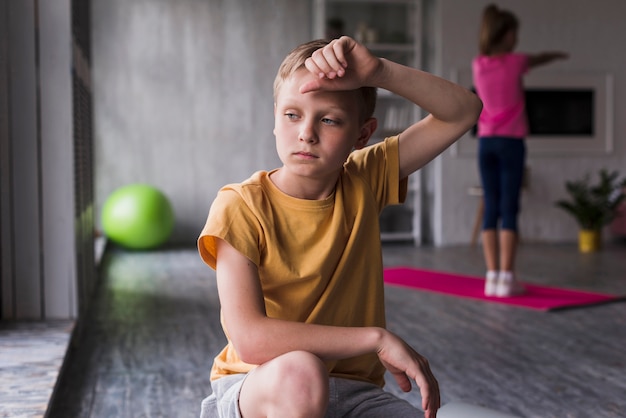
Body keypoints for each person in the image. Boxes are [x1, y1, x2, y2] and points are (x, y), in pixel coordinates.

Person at [198, 36, 482, 418]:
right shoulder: (241, 205)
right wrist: (376, 338)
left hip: (355, 394)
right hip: (263, 386)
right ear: (275, 118)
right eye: (292, 114)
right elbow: (250, 340)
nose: (307, 133)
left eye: (328, 119)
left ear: (362, 135)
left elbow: (463, 111)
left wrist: (380, 72)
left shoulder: (366, 177)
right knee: (303, 372)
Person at [472, 4, 568, 298]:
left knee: (491, 205)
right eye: (515, 33)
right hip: (511, 143)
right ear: (508, 34)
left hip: (485, 142)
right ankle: (507, 278)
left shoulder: (479, 64)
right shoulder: (516, 62)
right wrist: (558, 54)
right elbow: (538, 58)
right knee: (509, 208)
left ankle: (491, 277)